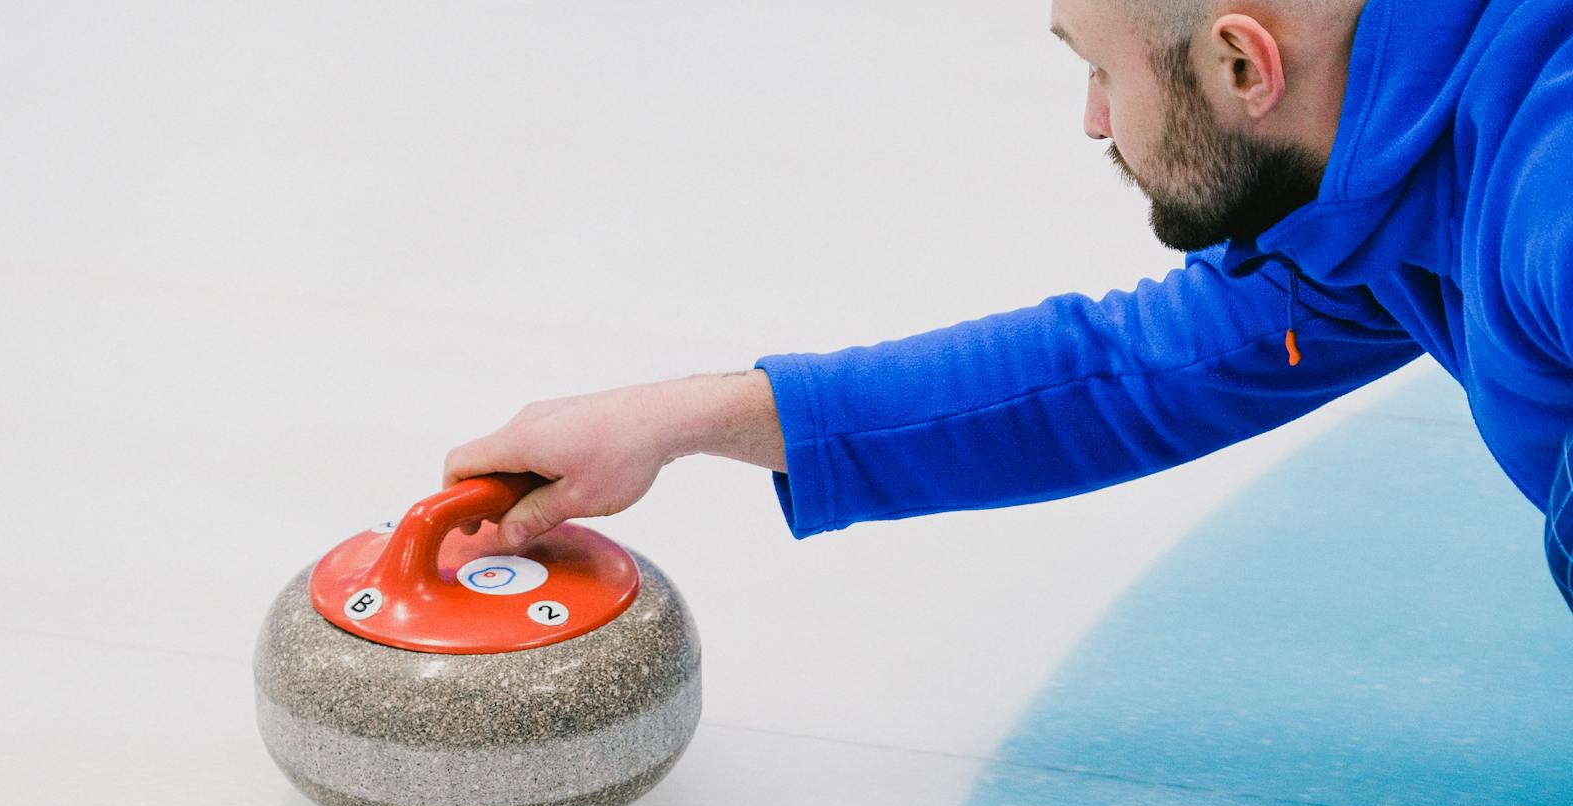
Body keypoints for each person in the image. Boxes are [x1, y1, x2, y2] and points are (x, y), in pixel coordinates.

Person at [443, 0, 1573, 615]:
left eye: (1100, 69)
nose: (1091, 120)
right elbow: (1126, 372)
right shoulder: (1376, 180)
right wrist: (684, 419)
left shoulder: (1544, 180)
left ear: (1241, 65)